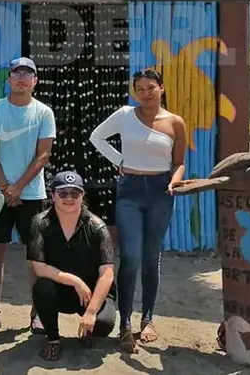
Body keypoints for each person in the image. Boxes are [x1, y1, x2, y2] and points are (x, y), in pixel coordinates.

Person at [88, 68, 187, 352]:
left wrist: (174, 181)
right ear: (134, 92)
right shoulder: (124, 115)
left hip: (161, 192)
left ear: (162, 88)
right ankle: (125, 324)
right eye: (140, 89)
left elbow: (179, 162)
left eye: (151, 88)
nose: (145, 93)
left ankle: (148, 319)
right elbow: (97, 137)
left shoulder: (175, 122)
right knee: (129, 257)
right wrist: (120, 161)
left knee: (150, 256)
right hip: (129, 190)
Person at [0, 57, 56, 336]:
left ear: (35, 81)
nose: (21, 78)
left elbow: (43, 154)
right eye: (16, 73)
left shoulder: (44, 112)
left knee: (36, 256)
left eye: (27, 73)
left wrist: (19, 187)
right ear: (8, 79)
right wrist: (6, 188)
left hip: (32, 194)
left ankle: (37, 314)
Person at [26, 170, 117, 361]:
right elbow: (39, 268)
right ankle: (53, 339)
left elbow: (107, 273)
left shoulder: (97, 226)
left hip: (89, 293)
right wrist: (75, 281)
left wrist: (92, 311)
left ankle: (88, 331)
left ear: (82, 196)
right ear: (52, 196)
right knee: (42, 287)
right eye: (63, 193)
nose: (69, 198)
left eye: (74, 193)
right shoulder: (39, 223)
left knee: (104, 323)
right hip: (58, 291)